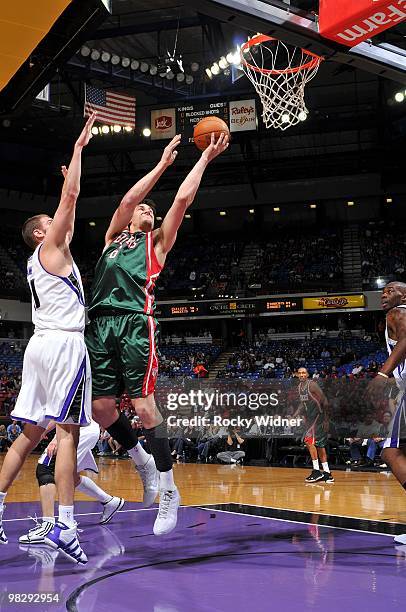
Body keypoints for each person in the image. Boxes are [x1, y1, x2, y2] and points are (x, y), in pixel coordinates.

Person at [86, 132, 229, 536]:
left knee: (145, 407)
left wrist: (202, 160)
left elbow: (181, 200)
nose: (147, 209)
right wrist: (162, 164)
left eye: (152, 209)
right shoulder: (113, 238)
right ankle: (141, 459)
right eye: (143, 209)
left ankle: (168, 489)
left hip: (134, 322)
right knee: (101, 410)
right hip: (98, 324)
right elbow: (127, 201)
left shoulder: (158, 242)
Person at [0, 114, 96, 564]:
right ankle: (66, 525)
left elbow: (70, 211)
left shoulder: (43, 260)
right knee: (69, 434)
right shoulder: (50, 247)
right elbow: (71, 197)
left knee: (27, 435)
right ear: (42, 233)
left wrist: (68, 197)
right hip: (63, 345)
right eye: (52, 221)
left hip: (37, 346)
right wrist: (78, 151)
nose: (60, 223)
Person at [19, 419, 124, 544]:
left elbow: (63, 413)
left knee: (46, 469)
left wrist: (55, 439)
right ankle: (110, 501)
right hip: (83, 428)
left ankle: (48, 526)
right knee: (70, 477)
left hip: (76, 428)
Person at [369, 282, 406, 545]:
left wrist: (383, 373)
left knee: (390, 451)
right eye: (383, 291)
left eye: (391, 290)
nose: (385, 294)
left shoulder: (399, 313)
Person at [295, 368, 334, 483]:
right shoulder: (299, 388)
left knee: (308, 441)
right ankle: (327, 473)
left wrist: (326, 420)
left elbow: (325, 401)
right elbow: (303, 404)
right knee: (319, 445)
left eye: (304, 373)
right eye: (300, 373)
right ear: (297, 375)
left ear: (307, 374)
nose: (302, 375)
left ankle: (316, 471)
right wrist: (294, 415)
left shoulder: (312, 385)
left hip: (318, 417)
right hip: (310, 419)